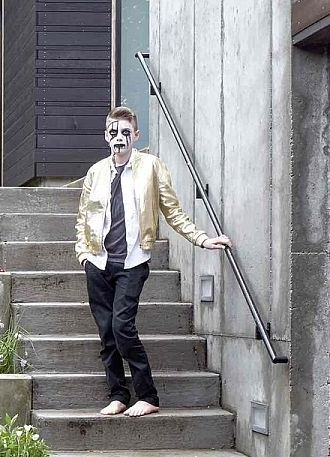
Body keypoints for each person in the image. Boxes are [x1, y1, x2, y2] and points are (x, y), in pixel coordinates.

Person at [75, 106, 232, 416]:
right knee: (106, 332)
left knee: (122, 327)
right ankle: (118, 395)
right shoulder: (96, 172)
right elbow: (84, 216)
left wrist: (202, 239)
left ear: (136, 135)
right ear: (106, 135)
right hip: (99, 262)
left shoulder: (151, 167)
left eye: (124, 132)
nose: (118, 137)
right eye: (113, 132)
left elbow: (172, 211)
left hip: (133, 262)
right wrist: (84, 255)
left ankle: (148, 396)